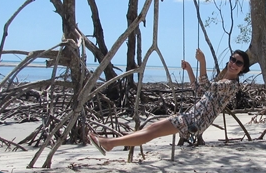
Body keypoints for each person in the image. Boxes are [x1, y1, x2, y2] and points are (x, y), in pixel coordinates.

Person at [88, 48, 250, 154]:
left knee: (153, 132)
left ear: (243, 69)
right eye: (232, 59)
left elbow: (206, 85)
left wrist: (202, 62)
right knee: (153, 127)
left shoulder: (231, 85)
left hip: (195, 121)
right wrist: (188, 70)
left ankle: (109, 143)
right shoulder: (222, 81)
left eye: (239, 63)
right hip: (191, 116)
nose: (234, 64)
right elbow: (199, 89)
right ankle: (113, 142)